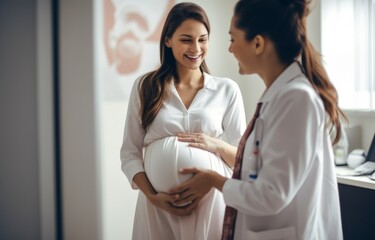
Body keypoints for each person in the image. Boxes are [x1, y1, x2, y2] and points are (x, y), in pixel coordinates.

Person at [169, 0, 345, 239]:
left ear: (258, 43)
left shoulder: (296, 99)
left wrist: (214, 180)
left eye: (232, 39)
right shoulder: (279, 96)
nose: (230, 49)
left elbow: (272, 194)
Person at [120, 2, 246, 240]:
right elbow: (129, 154)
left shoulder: (227, 89)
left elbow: (244, 157)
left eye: (203, 39)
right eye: (186, 39)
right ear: (168, 40)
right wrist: (154, 197)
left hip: (211, 204)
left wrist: (215, 144)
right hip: (157, 207)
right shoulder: (145, 87)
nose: (196, 48)